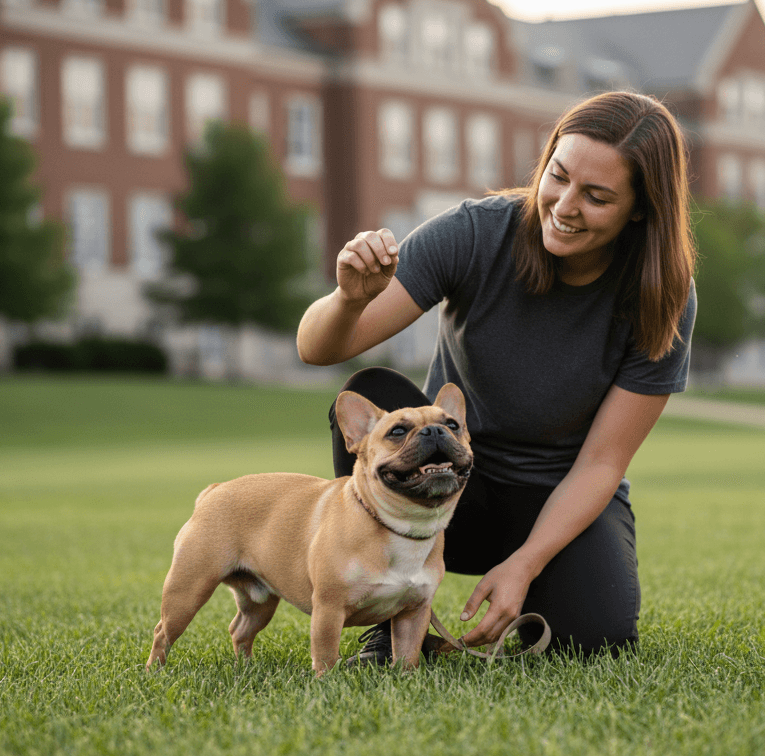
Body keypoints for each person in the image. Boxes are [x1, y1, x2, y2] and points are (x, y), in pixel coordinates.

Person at [296, 91, 697, 659]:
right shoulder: (475, 234)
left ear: (640, 209)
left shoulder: (663, 295)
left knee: (595, 639)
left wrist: (526, 564)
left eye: (597, 196)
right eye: (557, 176)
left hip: (558, 498)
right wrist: (347, 300)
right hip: (450, 485)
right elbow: (317, 348)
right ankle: (392, 618)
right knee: (373, 392)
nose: (564, 205)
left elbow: (604, 461)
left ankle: (514, 584)